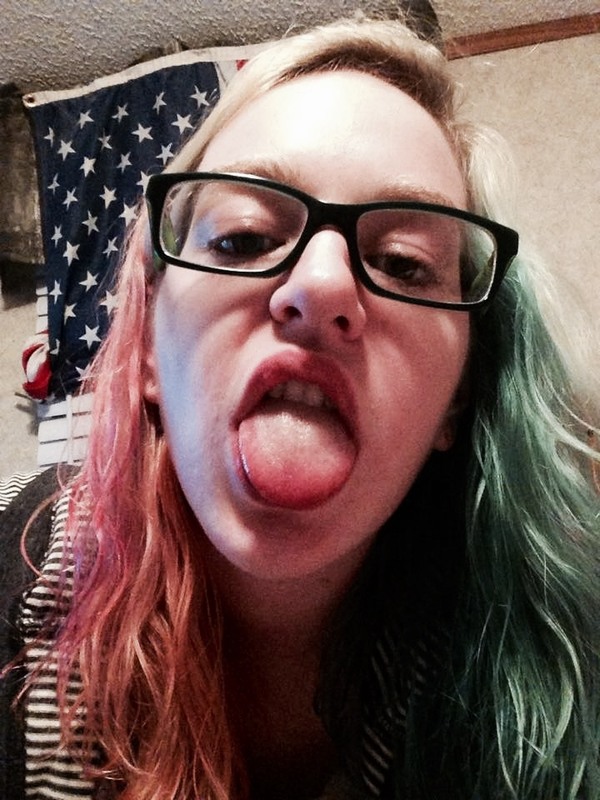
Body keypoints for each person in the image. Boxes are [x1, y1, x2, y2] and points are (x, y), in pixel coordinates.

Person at [1, 13, 599, 800]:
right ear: (145, 347)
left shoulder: (553, 657)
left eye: (403, 263)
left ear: (457, 396)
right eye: (244, 238)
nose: (320, 286)